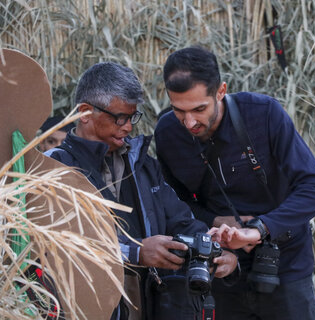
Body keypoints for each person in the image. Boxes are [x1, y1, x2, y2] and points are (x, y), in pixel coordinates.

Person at [45, 62, 238, 320]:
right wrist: (135, 252)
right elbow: (56, 243)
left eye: (133, 117)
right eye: (120, 117)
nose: (128, 127)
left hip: (148, 305)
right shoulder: (54, 168)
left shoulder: (143, 165)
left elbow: (180, 219)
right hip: (86, 309)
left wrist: (212, 246)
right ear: (85, 113)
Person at [155, 46, 315, 320]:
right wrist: (215, 221)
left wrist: (259, 229)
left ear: (221, 91)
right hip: (220, 268)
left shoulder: (263, 114)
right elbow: (173, 205)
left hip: (283, 267)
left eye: (199, 109)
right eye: (179, 110)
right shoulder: (167, 133)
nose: (189, 122)